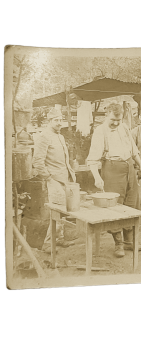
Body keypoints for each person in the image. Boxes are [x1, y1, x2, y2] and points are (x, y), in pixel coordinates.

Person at [87, 103, 141, 258]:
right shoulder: (100, 132)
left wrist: (140, 166)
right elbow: (92, 159)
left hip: (129, 167)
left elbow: (133, 150)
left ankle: (129, 241)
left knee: (131, 203)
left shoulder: (124, 127)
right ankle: (118, 244)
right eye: (113, 120)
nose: (115, 123)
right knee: (116, 207)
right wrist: (97, 177)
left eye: (118, 120)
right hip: (112, 169)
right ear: (106, 115)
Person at [32, 108, 76, 252]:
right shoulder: (44, 136)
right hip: (54, 180)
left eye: (60, 120)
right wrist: (49, 178)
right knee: (56, 211)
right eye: (55, 120)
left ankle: (59, 239)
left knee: (62, 211)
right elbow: (37, 162)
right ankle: (47, 244)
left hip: (64, 178)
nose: (59, 123)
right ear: (49, 121)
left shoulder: (60, 136)